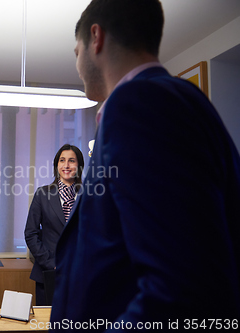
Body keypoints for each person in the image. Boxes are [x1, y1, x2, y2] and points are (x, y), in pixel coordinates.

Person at [50, 0, 240, 331]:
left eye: (76, 51)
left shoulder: (138, 103)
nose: (78, 65)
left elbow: (181, 290)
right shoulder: (180, 100)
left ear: (96, 38)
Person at [24, 144, 84, 306]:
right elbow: (31, 233)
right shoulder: (43, 194)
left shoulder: (89, 195)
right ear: (56, 166)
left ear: (79, 166)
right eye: (62, 160)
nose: (66, 165)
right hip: (48, 272)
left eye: (72, 161)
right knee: (47, 325)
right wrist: (52, 264)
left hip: (82, 272)